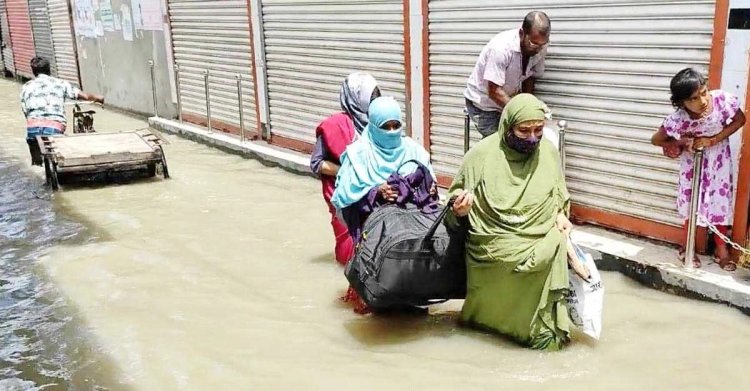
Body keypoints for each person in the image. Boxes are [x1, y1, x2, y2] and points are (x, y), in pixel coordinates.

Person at [446, 94, 572, 350]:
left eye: (538, 130)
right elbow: (453, 202)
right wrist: (460, 208)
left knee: (545, 339)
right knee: (482, 328)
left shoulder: (547, 152)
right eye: (524, 131)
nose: (533, 138)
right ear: (508, 126)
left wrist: (560, 214)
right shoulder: (480, 156)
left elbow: (559, 193)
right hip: (491, 255)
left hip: (539, 252)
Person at [331, 96, 436, 313]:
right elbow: (343, 198)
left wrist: (425, 189)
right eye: (384, 127)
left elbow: (432, 192)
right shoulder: (358, 154)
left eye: (395, 126)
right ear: (372, 125)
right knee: (374, 306)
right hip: (375, 240)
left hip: (411, 241)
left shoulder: (414, 152)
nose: (391, 131)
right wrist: (375, 191)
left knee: (412, 303)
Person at [651, 68, 746, 271]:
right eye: (693, 99)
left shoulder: (721, 101)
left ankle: (722, 249)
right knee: (691, 204)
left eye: (703, 92)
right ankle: (688, 246)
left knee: (719, 203)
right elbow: (656, 139)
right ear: (681, 103)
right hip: (692, 165)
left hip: (718, 161)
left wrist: (713, 140)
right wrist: (683, 141)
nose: (702, 101)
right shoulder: (679, 118)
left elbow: (740, 120)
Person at [310, 73, 380, 265]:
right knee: (350, 256)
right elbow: (316, 164)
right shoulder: (335, 125)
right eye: (370, 96)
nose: (374, 100)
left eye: (376, 95)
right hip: (346, 199)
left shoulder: (380, 123)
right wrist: (348, 171)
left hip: (376, 197)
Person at [464, 11, 550, 138]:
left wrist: (528, 103)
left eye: (542, 45)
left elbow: (529, 76)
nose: (537, 49)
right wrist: (522, 110)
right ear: (522, 34)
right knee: (499, 144)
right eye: (533, 44)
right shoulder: (501, 49)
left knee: (520, 140)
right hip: (484, 105)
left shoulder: (539, 47)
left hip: (507, 100)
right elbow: (494, 91)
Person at [20, 56, 104, 166]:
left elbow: (25, 110)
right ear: (49, 69)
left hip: (33, 127)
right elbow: (83, 96)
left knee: (37, 158)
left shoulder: (26, 87)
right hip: (54, 127)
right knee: (55, 155)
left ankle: (38, 165)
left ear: (33, 71)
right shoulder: (61, 83)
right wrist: (97, 98)